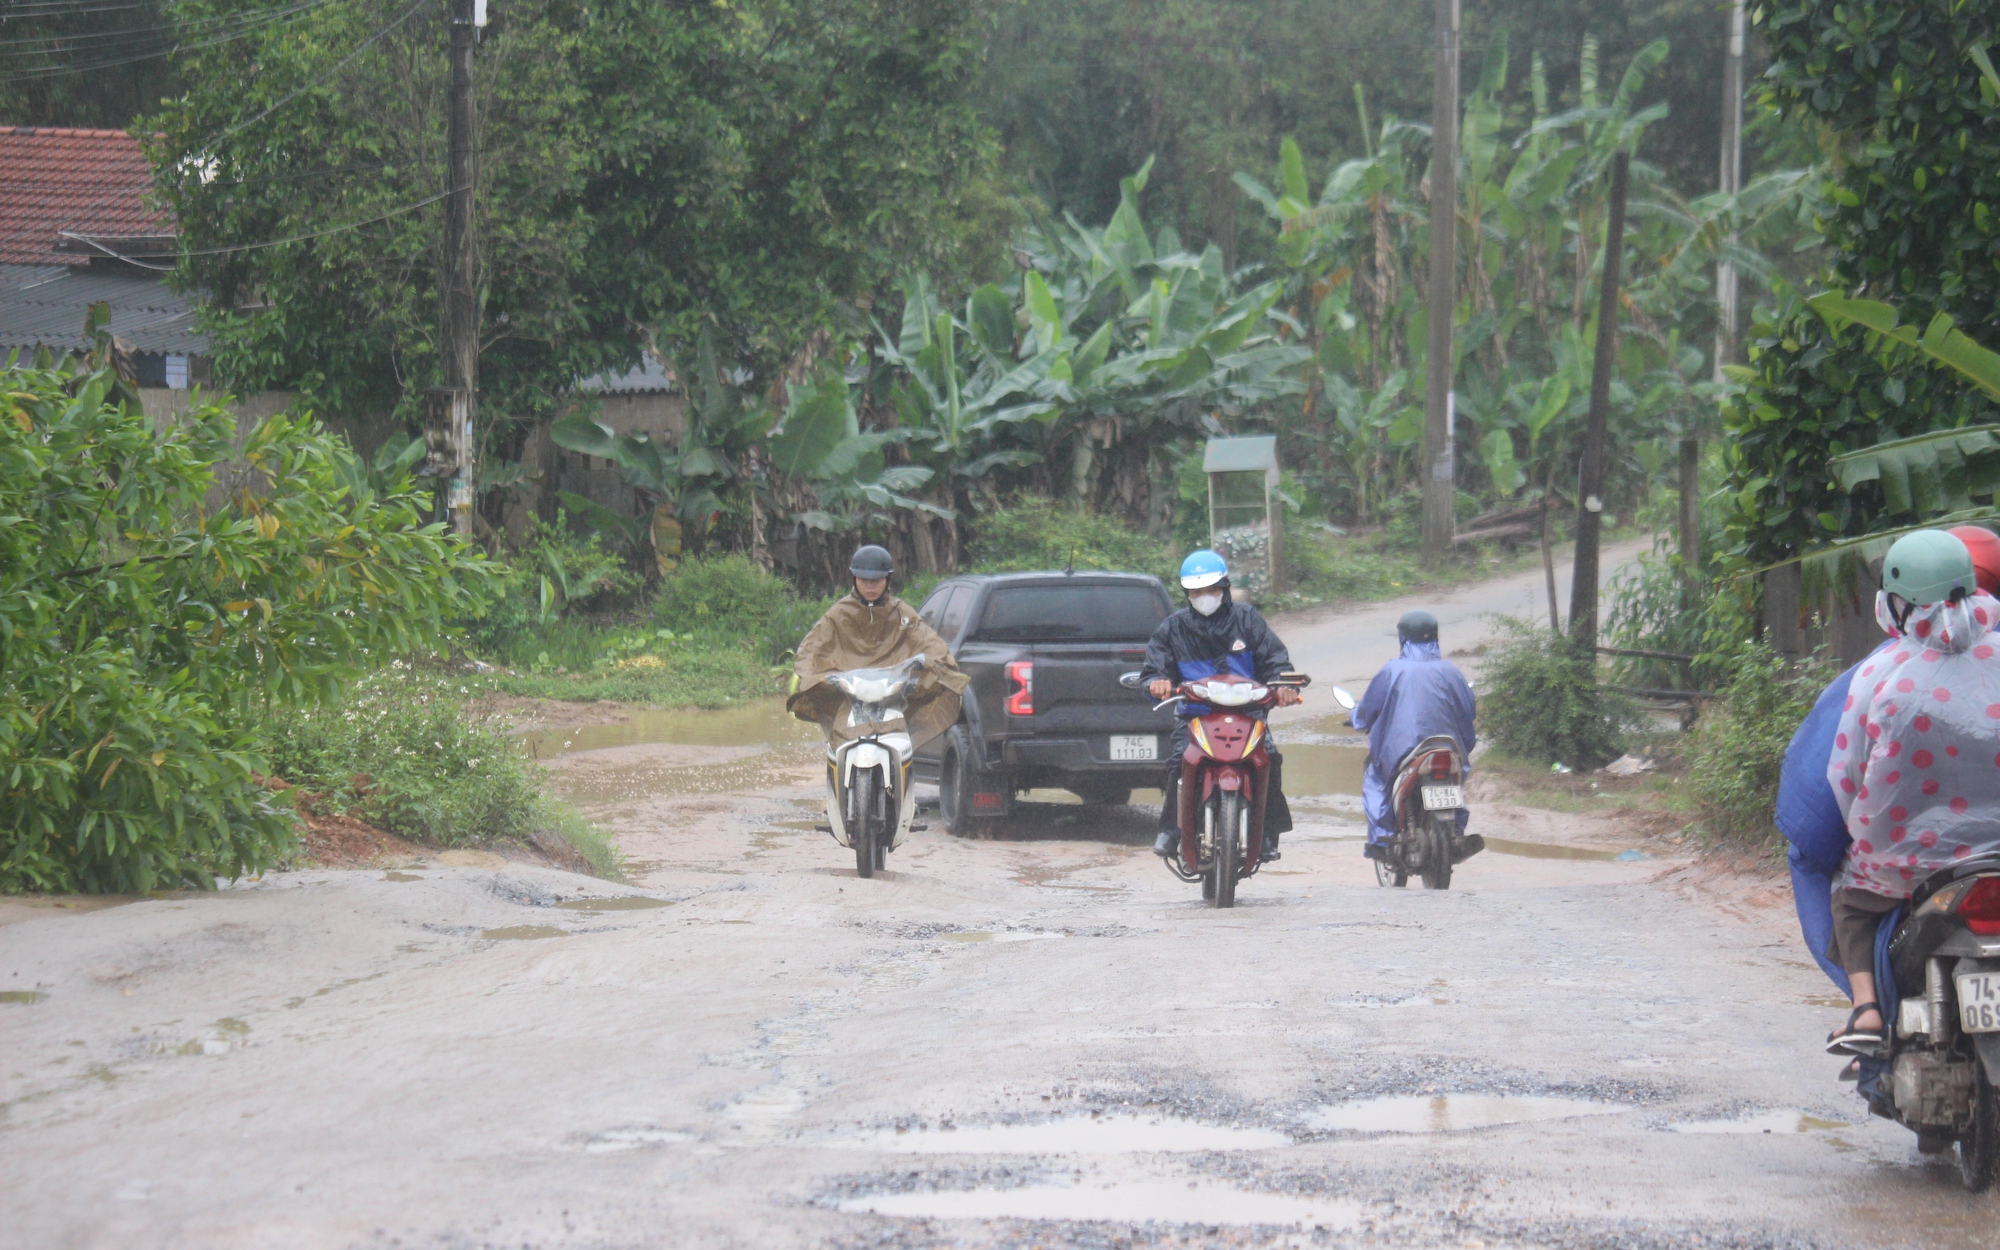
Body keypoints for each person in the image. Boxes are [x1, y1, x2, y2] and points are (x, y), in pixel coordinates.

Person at [1822, 529, 2000, 1056]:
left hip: (1905, 862)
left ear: (1897, 602)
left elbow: (1845, 776)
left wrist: (1858, 828)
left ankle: (1867, 1010)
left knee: (1849, 903)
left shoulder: (1879, 673)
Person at [1141, 550, 1301, 859]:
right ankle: (1171, 831)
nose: (1204, 597)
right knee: (1178, 761)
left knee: (1268, 757)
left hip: (1248, 715)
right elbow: (1154, 670)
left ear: (1224, 587)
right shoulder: (1172, 629)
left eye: (1210, 589)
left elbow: (1275, 659)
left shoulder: (1247, 619)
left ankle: (1267, 833)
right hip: (1195, 716)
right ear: (1187, 593)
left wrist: (1282, 684)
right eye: (1196, 591)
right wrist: (1157, 682)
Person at [787, 544, 969, 753]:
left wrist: (937, 662)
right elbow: (812, 647)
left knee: (945, 684)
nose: (870, 586)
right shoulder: (838, 614)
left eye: (876, 581)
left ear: (887, 580)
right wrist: (811, 675)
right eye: (864, 580)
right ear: (854, 579)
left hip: (892, 695)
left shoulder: (902, 614)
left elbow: (929, 642)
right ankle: (837, 776)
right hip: (850, 696)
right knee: (835, 737)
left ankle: (903, 775)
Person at [1349, 610, 1478, 861]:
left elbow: (1367, 710)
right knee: (1456, 783)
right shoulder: (1451, 671)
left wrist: (1356, 719)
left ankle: (1381, 839)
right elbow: (1468, 711)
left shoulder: (1392, 670)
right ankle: (1456, 833)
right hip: (1449, 748)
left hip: (1403, 750)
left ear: (1402, 638)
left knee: (1375, 777)